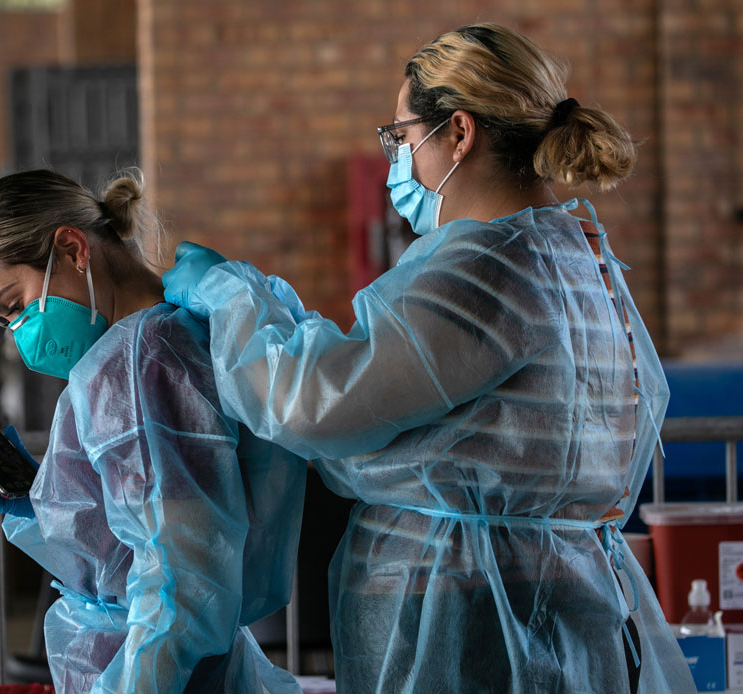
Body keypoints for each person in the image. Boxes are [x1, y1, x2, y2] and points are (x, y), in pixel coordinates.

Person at [163, 23, 694, 694]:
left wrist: (230, 295)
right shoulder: (572, 256)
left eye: (402, 137)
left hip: (471, 620)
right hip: (557, 607)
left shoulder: (484, 269)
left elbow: (313, 403)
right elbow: (405, 397)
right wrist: (288, 322)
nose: (398, 161)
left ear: (460, 133)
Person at [0, 168, 306, 694]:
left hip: (150, 669)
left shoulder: (135, 361)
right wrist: (50, 500)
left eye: (17, 306)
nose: (21, 337)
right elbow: (148, 540)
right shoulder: (175, 332)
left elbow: (179, 579)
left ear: (73, 249)